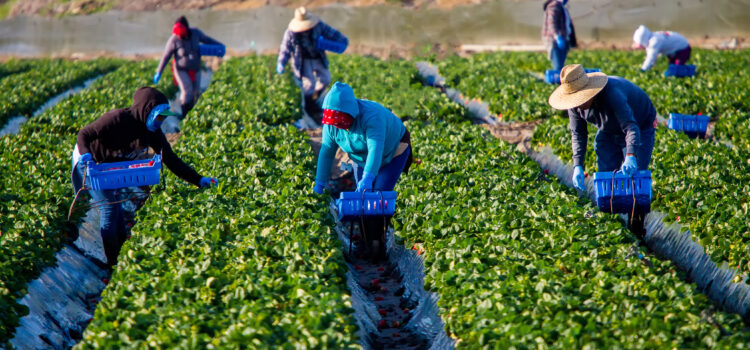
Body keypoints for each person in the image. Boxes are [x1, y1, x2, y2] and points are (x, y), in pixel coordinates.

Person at [71, 87, 218, 266]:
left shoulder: (152, 131)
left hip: (110, 167)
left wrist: (198, 179)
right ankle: (112, 264)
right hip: (89, 164)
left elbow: (170, 158)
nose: (161, 121)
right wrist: (86, 156)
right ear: (147, 111)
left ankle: (118, 258)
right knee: (109, 209)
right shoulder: (117, 119)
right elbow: (84, 134)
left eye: (163, 117)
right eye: (160, 116)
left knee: (116, 208)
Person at [548, 64, 656, 237]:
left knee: (636, 179)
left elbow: (631, 128)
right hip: (608, 129)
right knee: (607, 175)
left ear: (589, 92)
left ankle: (636, 229)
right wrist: (578, 165)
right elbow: (578, 133)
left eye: (580, 99)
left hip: (639, 125)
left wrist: (630, 156)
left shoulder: (612, 94)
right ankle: (611, 228)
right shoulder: (574, 106)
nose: (578, 104)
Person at [313, 82, 412, 260]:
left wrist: (368, 177)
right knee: (362, 201)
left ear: (350, 112)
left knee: (377, 196)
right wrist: (320, 182)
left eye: (341, 121)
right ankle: (365, 241)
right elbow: (327, 152)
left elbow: (376, 149)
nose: (338, 126)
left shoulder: (371, 117)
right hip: (361, 157)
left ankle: (378, 244)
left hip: (393, 151)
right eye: (334, 122)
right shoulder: (332, 125)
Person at [277, 7, 348, 123]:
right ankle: (309, 106)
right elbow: (285, 48)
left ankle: (316, 98)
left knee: (326, 79)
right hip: (302, 61)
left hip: (317, 57)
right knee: (309, 85)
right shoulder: (291, 32)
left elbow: (333, 34)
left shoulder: (318, 26)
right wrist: (281, 63)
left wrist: (341, 41)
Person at [154, 16, 224, 119]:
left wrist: (219, 45)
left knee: (196, 92)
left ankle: (192, 114)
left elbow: (206, 39)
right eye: (178, 34)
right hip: (181, 69)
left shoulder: (195, 33)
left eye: (181, 33)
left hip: (195, 68)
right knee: (187, 91)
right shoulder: (174, 40)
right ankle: (183, 114)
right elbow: (166, 56)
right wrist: (159, 72)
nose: (180, 36)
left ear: (186, 29)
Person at [542, 0, 577, 71]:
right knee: (558, 66)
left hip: (564, 39)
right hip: (554, 41)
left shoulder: (561, 6)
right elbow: (551, 23)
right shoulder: (554, 6)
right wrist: (557, 36)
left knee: (561, 65)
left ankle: (560, 79)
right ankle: (556, 80)